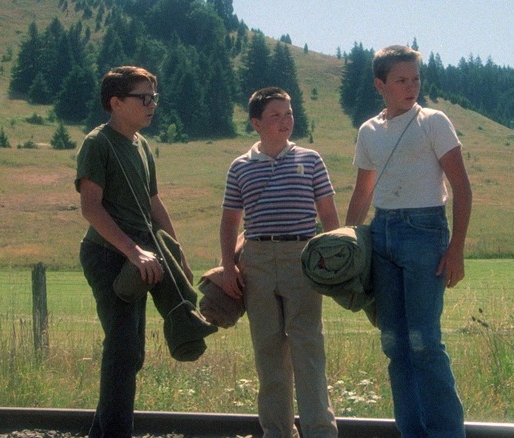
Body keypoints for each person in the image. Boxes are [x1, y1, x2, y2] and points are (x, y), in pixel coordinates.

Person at [345, 45, 472, 438]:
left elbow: (462, 189)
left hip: (426, 232)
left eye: (416, 78)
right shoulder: (369, 131)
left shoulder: (433, 122)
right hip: (382, 235)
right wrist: (348, 245)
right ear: (380, 84)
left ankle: (448, 434)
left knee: (424, 342)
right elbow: (363, 193)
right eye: (401, 80)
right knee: (393, 343)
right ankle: (412, 432)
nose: (411, 86)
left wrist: (457, 249)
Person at [75, 66, 192, 436]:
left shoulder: (141, 145)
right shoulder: (98, 143)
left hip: (137, 258)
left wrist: (177, 256)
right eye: (143, 97)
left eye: (154, 97)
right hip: (110, 256)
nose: (152, 104)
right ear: (115, 102)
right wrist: (132, 251)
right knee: (124, 350)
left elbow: (154, 202)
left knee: (130, 352)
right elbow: (91, 207)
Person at [219, 86, 340, 438]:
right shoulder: (240, 167)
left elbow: (328, 214)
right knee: (268, 352)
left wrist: (337, 261)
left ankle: (320, 431)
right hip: (256, 260)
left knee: (308, 349)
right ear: (256, 123)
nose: (285, 121)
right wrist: (229, 267)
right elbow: (230, 221)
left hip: (301, 257)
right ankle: (277, 432)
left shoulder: (311, 159)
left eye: (288, 113)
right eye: (276, 115)